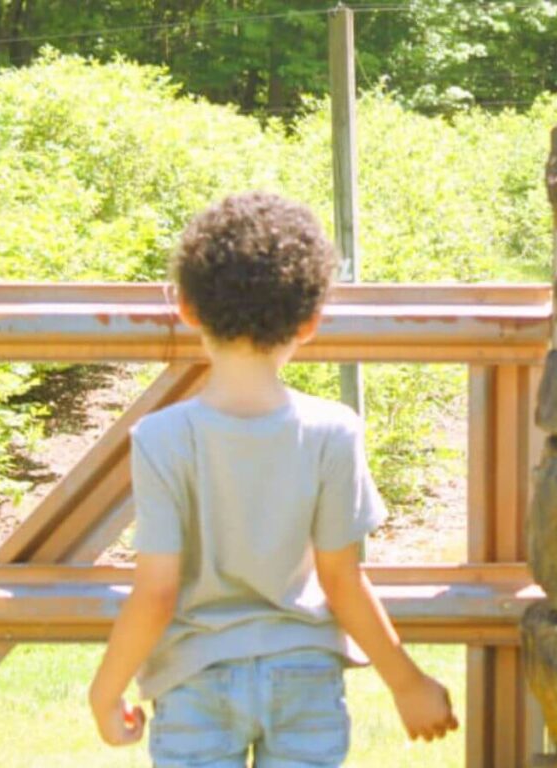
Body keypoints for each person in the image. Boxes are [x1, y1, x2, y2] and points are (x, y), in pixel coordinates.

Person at [88, 192, 458, 766]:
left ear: (186, 307)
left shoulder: (162, 438)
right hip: (304, 675)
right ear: (309, 322)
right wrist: (405, 682)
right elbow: (342, 580)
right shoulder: (333, 431)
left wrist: (104, 691)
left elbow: (157, 593)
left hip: (195, 679)